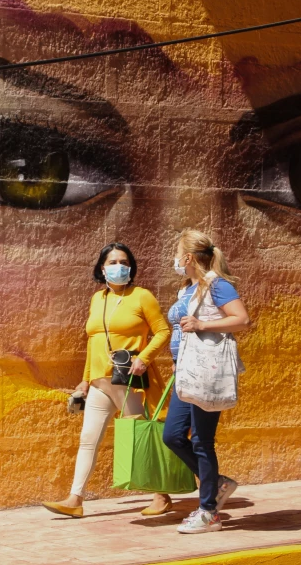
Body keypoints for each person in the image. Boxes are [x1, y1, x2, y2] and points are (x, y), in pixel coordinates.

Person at [42, 242, 172, 518]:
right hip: (100, 382)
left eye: (124, 262)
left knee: (139, 437)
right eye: (112, 262)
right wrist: (85, 380)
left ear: (131, 267)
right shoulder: (97, 299)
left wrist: (144, 358)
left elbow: (163, 331)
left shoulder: (141, 296)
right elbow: (94, 341)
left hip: (129, 380)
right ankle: (75, 499)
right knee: (88, 439)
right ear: (102, 268)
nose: (119, 267)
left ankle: (161, 495)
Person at [163, 229, 252, 534]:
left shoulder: (217, 285)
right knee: (172, 435)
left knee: (201, 440)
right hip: (185, 372)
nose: (175, 259)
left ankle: (208, 512)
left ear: (188, 258)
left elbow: (242, 319)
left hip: (207, 373)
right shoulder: (187, 288)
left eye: (177, 253)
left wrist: (202, 324)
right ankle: (218, 483)